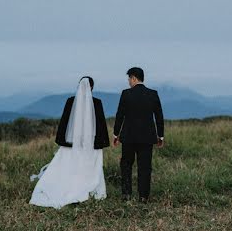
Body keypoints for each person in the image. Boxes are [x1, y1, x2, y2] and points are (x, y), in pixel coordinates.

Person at [29, 76, 110, 208]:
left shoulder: (71, 101)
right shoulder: (97, 102)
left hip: (70, 144)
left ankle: (66, 188)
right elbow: (101, 124)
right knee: (90, 167)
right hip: (91, 145)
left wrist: (62, 140)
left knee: (69, 167)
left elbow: (64, 122)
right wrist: (101, 142)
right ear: (92, 88)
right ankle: (90, 190)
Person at [113, 67, 164, 203]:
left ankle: (126, 194)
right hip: (147, 137)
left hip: (128, 136)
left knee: (126, 165)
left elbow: (120, 115)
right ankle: (143, 197)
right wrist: (161, 136)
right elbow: (159, 116)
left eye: (129, 78)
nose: (129, 81)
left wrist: (116, 134)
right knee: (145, 167)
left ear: (134, 78)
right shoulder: (153, 94)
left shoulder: (126, 94)